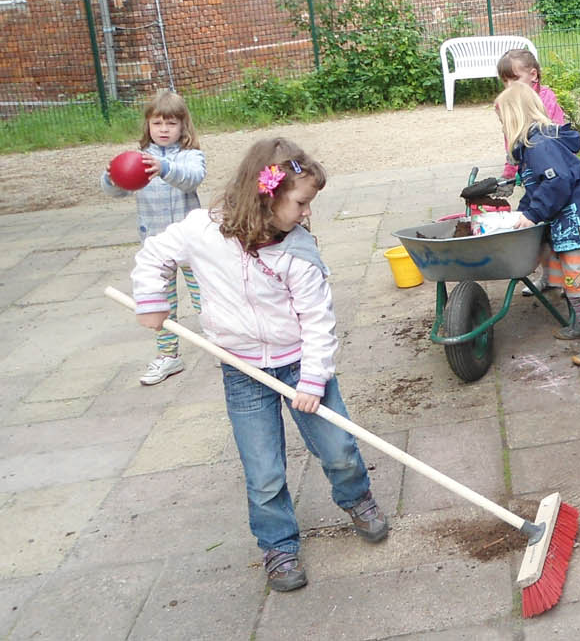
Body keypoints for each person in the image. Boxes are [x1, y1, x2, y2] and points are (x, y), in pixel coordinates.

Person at [127, 138, 388, 592]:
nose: (307, 213)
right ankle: (278, 545)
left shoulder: (298, 251)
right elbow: (155, 253)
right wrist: (152, 300)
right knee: (263, 470)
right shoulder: (202, 231)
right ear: (267, 194)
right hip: (242, 370)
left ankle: (357, 498)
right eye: (303, 203)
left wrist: (312, 379)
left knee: (339, 448)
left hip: (301, 366)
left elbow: (318, 321)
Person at [497, 82, 580, 366]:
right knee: (570, 280)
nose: (502, 128)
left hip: (578, 224)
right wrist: (523, 212)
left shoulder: (541, 146)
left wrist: (532, 214)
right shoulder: (532, 150)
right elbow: (536, 190)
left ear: (515, 118)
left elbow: (557, 181)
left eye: (503, 121)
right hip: (565, 226)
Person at [101, 89, 206, 385]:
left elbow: (192, 179)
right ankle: (168, 356)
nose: (163, 129)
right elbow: (118, 190)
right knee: (161, 301)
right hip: (156, 247)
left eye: (171, 123)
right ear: (147, 125)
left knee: (206, 297)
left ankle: (223, 344)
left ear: (184, 126)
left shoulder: (190, 156)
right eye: (157, 123)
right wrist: (111, 178)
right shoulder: (137, 159)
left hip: (190, 244)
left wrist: (165, 168)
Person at [497, 48, 568, 295]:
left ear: (533, 75)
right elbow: (511, 142)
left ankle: (572, 282)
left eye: (514, 79)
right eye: (504, 80)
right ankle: (549, 278)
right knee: (538, 231)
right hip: (533, 178)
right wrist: (508, 174)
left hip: (552, 176)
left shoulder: (545, 98)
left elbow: (557, 136)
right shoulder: (508, 104)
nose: (509, 85)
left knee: (558, 233)